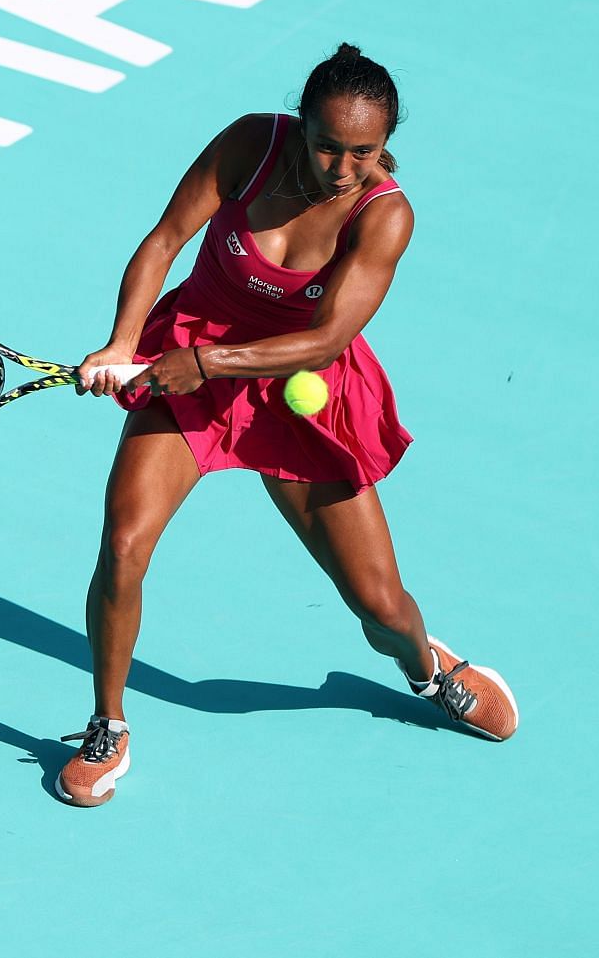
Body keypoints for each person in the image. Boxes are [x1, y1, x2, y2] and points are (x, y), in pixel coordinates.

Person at [58, 43, 518, 807]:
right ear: (300, 126)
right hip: (195, 365)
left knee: (379, 604)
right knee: (123, 543)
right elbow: (165, 239)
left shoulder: (386, 216)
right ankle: (106, 723)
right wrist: (122, 338)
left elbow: (328, 340)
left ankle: (430, 672)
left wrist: (204, 363)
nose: (343, 167)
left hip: (295, 389)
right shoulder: (250, 143)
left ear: (386, 142)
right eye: (328, 146)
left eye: (363, 152)